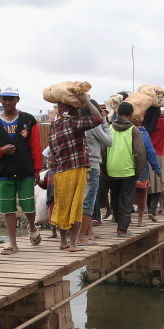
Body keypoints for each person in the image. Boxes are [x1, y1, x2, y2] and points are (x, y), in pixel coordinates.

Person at [0, 85, 42, 254]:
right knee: (7, 209)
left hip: (25, 170)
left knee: (28, 205)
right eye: (4, 98)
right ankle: (13, 243)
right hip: (4, 172)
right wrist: (1, 151)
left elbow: (35, 146)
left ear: (17, 100)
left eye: (11, 98)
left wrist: (37, 170)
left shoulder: (28, 120)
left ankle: (32, 227)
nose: (7, 102)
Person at [48, 92, 102, 251]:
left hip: (59, 171)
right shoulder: (74, 122)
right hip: (76, 169)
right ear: (70, 111)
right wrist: (87, 100)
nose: (80, 111)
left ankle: (63, 241)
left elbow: (51, 151)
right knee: (76, 206)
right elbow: (98, 118)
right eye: (77, 109)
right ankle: (73, 244)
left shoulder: (53, 126)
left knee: (62, 205)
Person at [105, 101, 145, 235]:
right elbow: (139, 153)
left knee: (115, 198)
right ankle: (122, 229)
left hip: (112, 170)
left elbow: (103, 151)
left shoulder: (109, 129)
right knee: (127, 200)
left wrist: (106, 170)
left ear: (117, 113)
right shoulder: (133, 130)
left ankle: (118, 221)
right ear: (131, 114)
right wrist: (138, 171)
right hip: (128, 170)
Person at [77, 101, 111, 246]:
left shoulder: (77, 124)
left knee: (83, 200)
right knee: (88, 203)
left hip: (79, 166)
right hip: (92, 166)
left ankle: (90, 231)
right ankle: (81, 237)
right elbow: (109, 141)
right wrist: (104, 122)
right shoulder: (93, 125)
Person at [133, 113, 164, 222]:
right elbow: (150, 151)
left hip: (121, 167)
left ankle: (122, 219)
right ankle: (141, 220)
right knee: (143, 192)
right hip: (141, 166)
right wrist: (157, 169)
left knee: (126, 193)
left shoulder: (116, 129)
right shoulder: (142, 132)